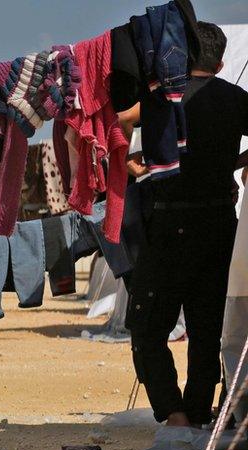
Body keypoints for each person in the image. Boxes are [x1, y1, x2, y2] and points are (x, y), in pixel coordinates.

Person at [124, 22, 248, 427]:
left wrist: (132, 162)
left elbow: (121, 120)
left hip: (169, 222)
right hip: (217, 221)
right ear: (221, 62)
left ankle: (173, 415)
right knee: (207, 326)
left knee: (147, 324)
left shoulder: (163, 98)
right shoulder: (236, 99)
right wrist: (233, 165)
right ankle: (196, 414)